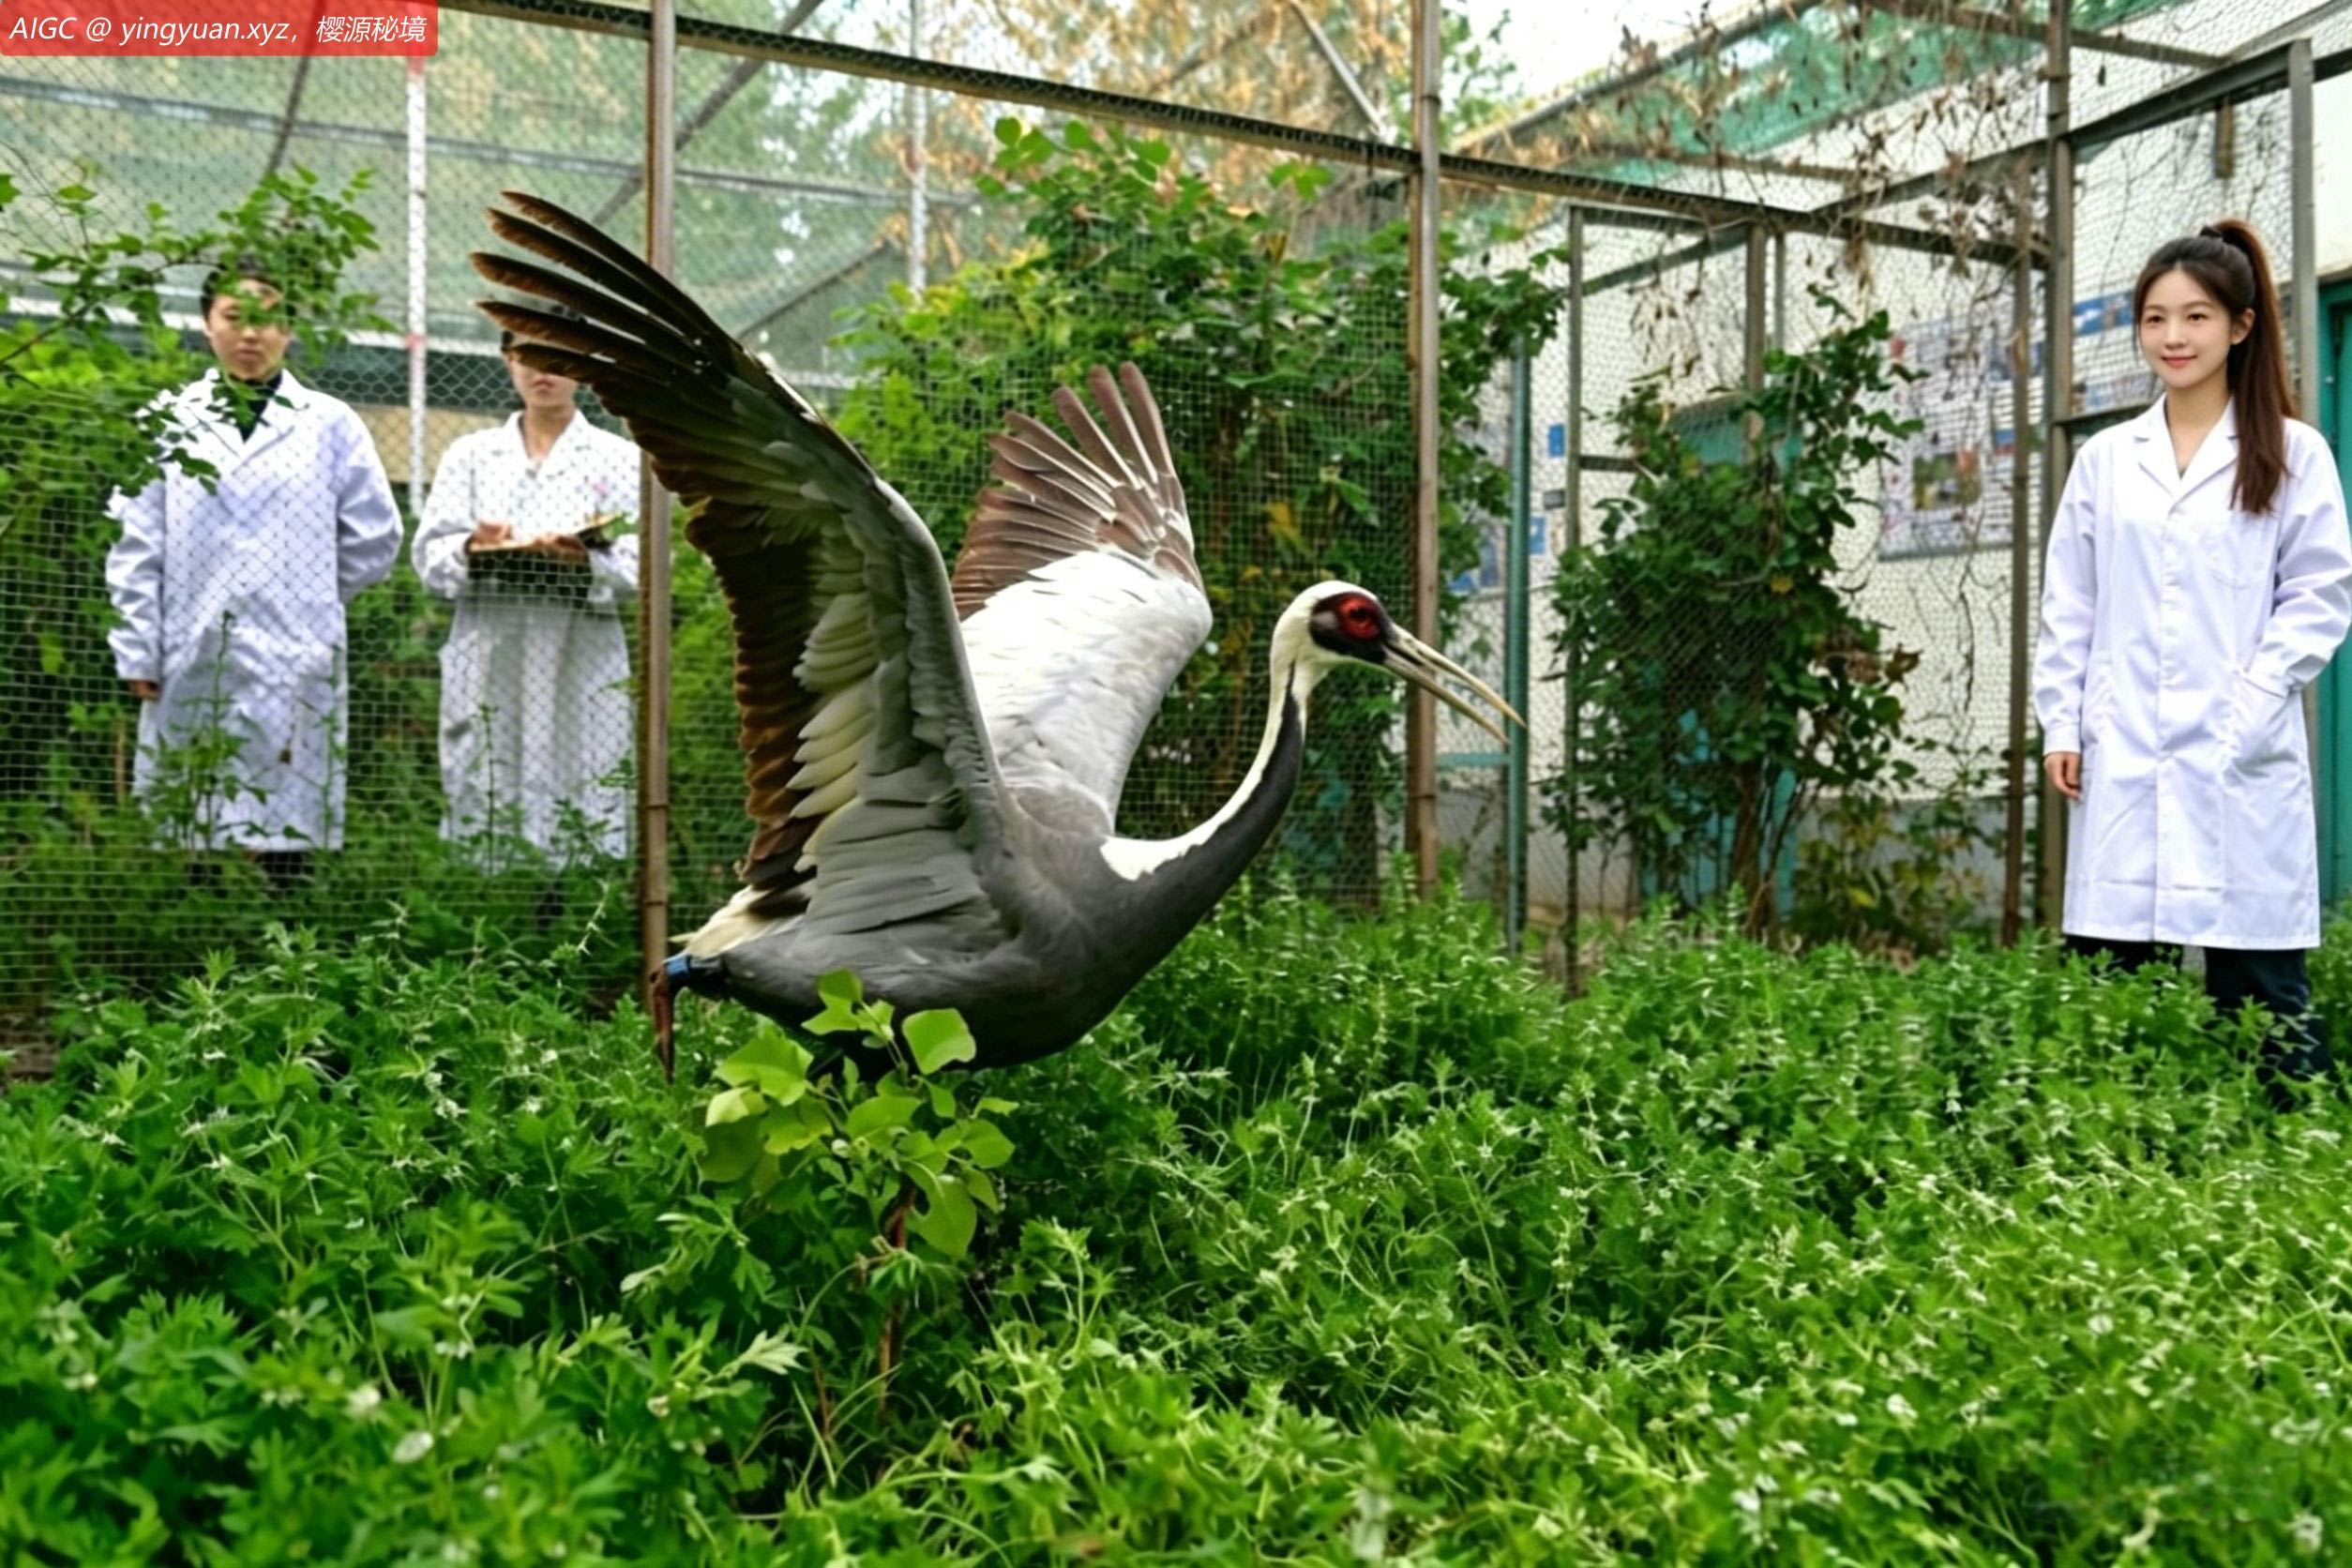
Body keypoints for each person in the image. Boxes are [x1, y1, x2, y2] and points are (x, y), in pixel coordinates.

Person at [2034, 219, 2352, 1098]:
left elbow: (2320, 594)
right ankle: (2114, 1156)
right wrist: (2063, 721)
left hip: (2237, 753)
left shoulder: (2293, 455)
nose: (2173, 338)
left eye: (2197, 318)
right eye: (2154, 319)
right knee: (2110, 990)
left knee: (2264, 1002)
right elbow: (2072, 603)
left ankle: (2299, 1153)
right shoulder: (2106, 460)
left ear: (2241, 327)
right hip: (2123, 747)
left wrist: (2251, 698)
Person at [103, 259, 402, 883]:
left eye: (266, 320)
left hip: (298, 643)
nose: (250, 334)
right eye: (233, 317)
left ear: (287, 329)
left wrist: (307, 593)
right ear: (207, 326)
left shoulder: (330, 424)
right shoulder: (168, 419)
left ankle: (282, 951)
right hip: (190, 639)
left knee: (289, 810)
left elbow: (377, 536)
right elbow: (137, 540)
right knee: (193, 805)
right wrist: (137, 647)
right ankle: (197, 947)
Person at [411, 320, 641, 866]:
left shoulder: (621, 458)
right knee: (487, 784)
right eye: (529, 355)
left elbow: (642, 567)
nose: (544, 371)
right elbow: (430, 558)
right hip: (493, 644)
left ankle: (579, 913)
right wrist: (472, 546)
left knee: (585, 777)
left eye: (560, 356)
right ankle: (491, 912)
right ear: (507, 360)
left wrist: (585, 560)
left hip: (579, 648)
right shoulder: (470, 455)